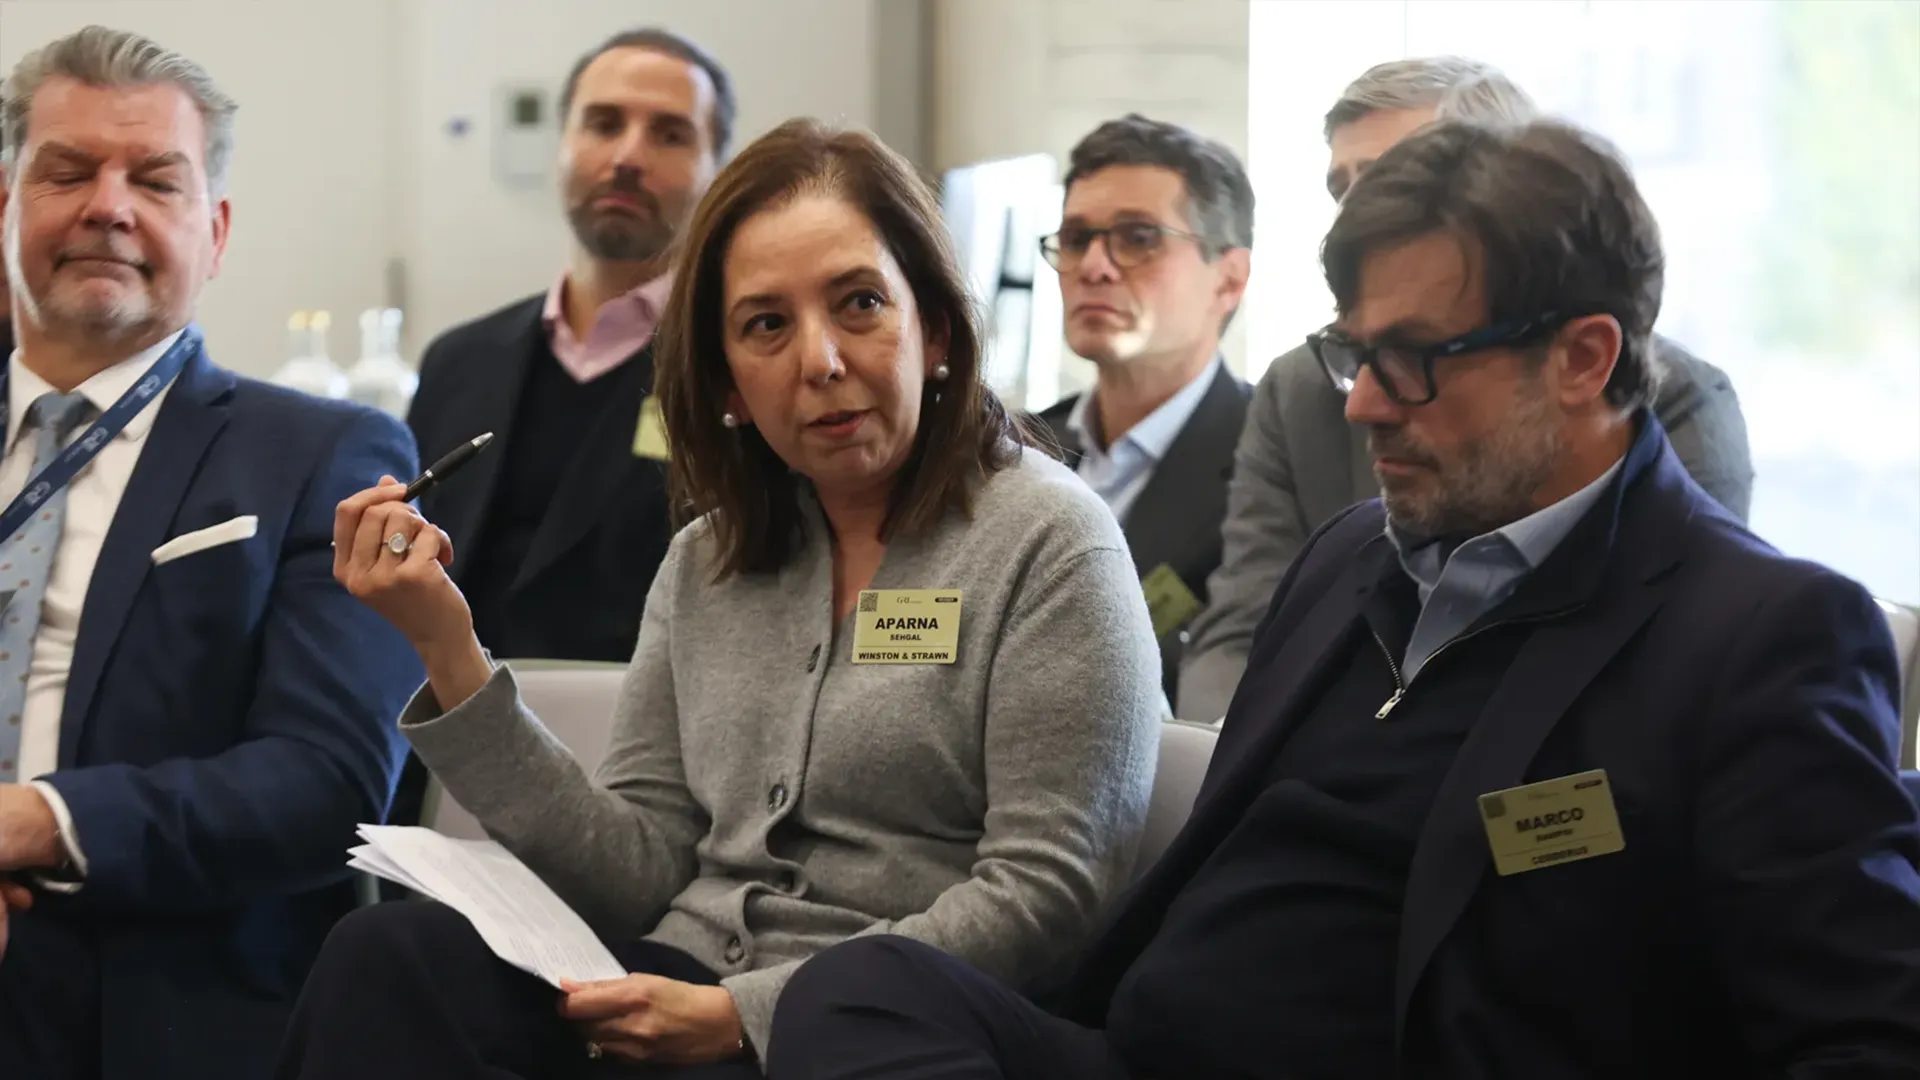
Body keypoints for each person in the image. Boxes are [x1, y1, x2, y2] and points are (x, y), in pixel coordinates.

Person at [766, 118, 1920, 1079]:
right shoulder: (1348, 556)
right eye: (1353, 353)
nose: (1365, 404)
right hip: (1137, 1051)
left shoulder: (1762, 634)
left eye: (1416, 357)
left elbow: (1857, 1036)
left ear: (1582, 358)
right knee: (862, 992)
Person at [275, 118, 1165, 1079]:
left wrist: (743, 1014)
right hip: (674, 992)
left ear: (935, 329)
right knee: (390, 954)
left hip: (891, 1026)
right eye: (767, 325)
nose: (819, 360)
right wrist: (449, 648)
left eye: (860, 302)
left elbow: (1050, 890)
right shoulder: (710, 558)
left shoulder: (1050, 540)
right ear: (729, 383)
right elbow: (640, 870)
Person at [0, 26, 422, 1080]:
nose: (109, 204)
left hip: (147, 970)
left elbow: (330, 782)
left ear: (216, 230)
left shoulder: (323, 454)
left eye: (155, 179)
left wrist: (38, 825)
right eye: (66, 171)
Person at [1176, 56, 1755, 724]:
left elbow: (1669, 663)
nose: (1354, 219)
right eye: (1344, 189)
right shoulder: (1300, 389)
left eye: (1400, 181)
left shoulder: (1679, 400)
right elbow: (1242, 630)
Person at [388, 27, 732, 843]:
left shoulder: (738, 368)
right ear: (564, 143)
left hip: (649, 799)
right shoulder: (461, 361)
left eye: (670, 133)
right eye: (603, 123)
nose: (628, 154)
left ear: (719, 167)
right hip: (438, 779)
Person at [1032, 115, 1252, 708]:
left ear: (1229, 280)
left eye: (1138, 237)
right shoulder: (1012, 449)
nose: (1094, 266)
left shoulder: (1270, 458)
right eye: (1076, 239)